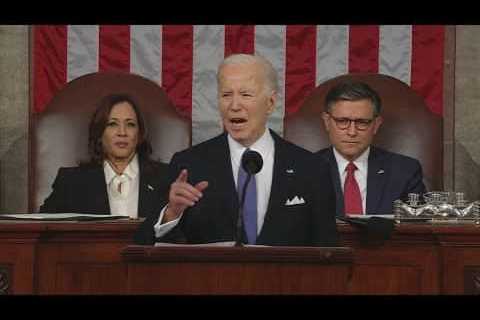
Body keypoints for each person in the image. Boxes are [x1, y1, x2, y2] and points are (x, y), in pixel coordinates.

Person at [140, 53, 337, 246]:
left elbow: (328, 253)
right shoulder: (189, 165)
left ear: (270, 103)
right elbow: (143, 244)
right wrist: (171, 214)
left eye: (245, 94)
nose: (234, 105)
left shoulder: (312, 169)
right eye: (226, 95)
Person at [39, 94, 169, 244]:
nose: (122, 132)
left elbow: (179, 236)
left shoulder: (165, 177)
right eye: (112, 124)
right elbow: (41, 232)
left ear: (139, 134)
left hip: (147, 264)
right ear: (100, 133)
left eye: (130, 124)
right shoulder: (71, 182)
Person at [315, 80, 426, 216]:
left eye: (362, 122)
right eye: (342, 121)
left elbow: (418, 230)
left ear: (376, 124)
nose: (352, 132)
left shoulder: (405, 171)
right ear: (327, 122)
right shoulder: (305, 170)